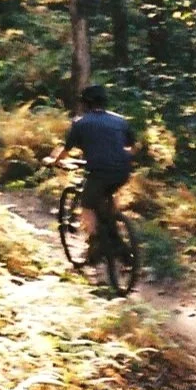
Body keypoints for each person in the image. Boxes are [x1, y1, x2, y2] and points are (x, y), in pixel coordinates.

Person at [45, 85, 136, 260]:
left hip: (100, 171)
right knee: (107, 195)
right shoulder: (120, 121)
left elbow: (67, 149)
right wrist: (122, 157)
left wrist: (55, 162)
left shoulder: (81, 123)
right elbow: (132, 146)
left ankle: (94, 241)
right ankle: (113, 225)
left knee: (86, 204)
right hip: (122, 170)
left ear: (86, 104)